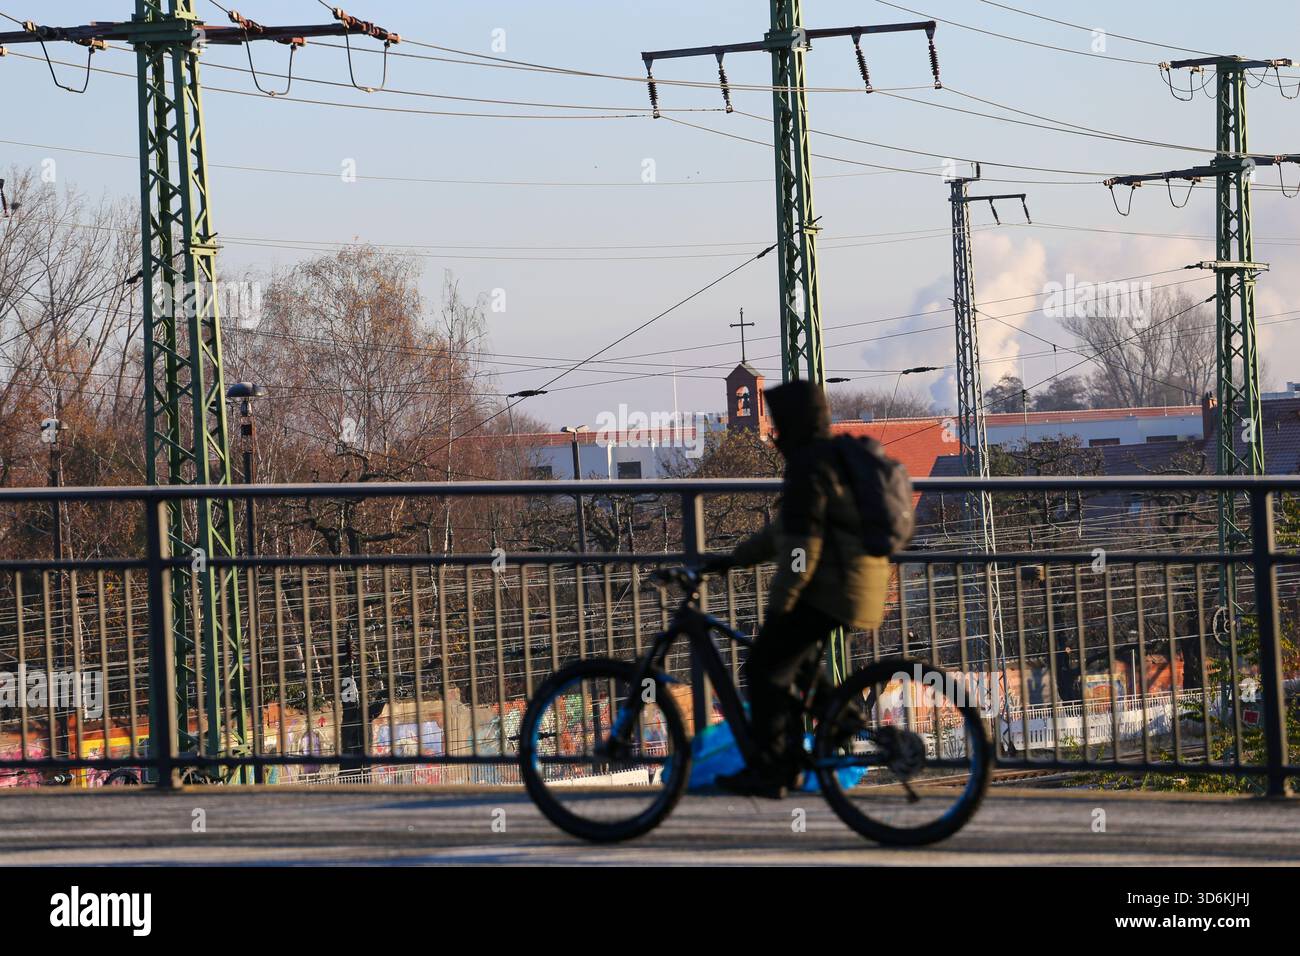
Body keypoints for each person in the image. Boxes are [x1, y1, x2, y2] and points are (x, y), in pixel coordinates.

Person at [701, 379, 891, 798]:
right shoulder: (824, 458)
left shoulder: (809, 465)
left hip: (837, 588)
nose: (774, 433)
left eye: (779, 424)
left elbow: (802, 550)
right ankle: (839, 721)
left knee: (763, 666)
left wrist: (780, 606)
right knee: (797, 664)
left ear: (795, 423)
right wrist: (733, 559)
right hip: (855, 584)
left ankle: (774, 770)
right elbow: (783, 533)